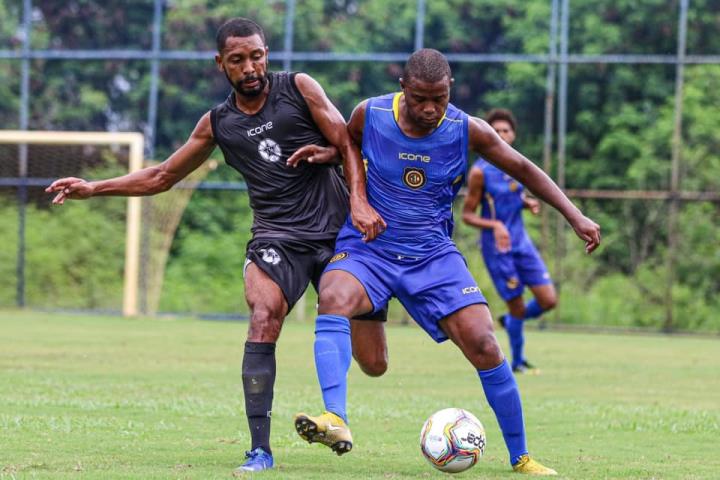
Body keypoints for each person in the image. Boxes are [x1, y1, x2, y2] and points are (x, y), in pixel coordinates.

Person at [45, 17, 389, 474]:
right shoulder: (219, 123)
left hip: (336, 231)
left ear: (266, 53)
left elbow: (347, 141)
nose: (250, 67)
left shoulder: (300, 88)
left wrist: (358, 200)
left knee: (375, 363)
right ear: (220, 64)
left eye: (257, 56)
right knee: (263, 314)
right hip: (276, 237)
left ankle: (335, 411)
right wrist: (95, 187)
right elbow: (161, 176)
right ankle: (261, 450)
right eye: (238, 60)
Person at [293, 49, 600, 475]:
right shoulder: (370, 113)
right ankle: (335, 419)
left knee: (484, 342)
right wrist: (354, 192)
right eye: (420, 98)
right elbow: (348, 145)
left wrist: (574, 214)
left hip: (432, 256)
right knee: (334, 296)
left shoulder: (466, 129)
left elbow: (524, 168)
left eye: (438, 98)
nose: (430, 108)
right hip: (370, 248)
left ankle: (522, 457)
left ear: (449, 89)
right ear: (404, 88)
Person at [462, 108, 556, 374]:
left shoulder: (516, 166)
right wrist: (495, 225)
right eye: (497, 130)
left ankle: (511, 321)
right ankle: (517, 361)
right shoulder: (480, 172)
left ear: (513, 134)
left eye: (506, 130)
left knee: (548, 300)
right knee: (516, 302)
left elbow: (509, 199)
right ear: (488, 133)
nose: (502, 135)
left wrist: (526, 203)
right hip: (498, 249)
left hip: (522, 243)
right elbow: (468, 215)